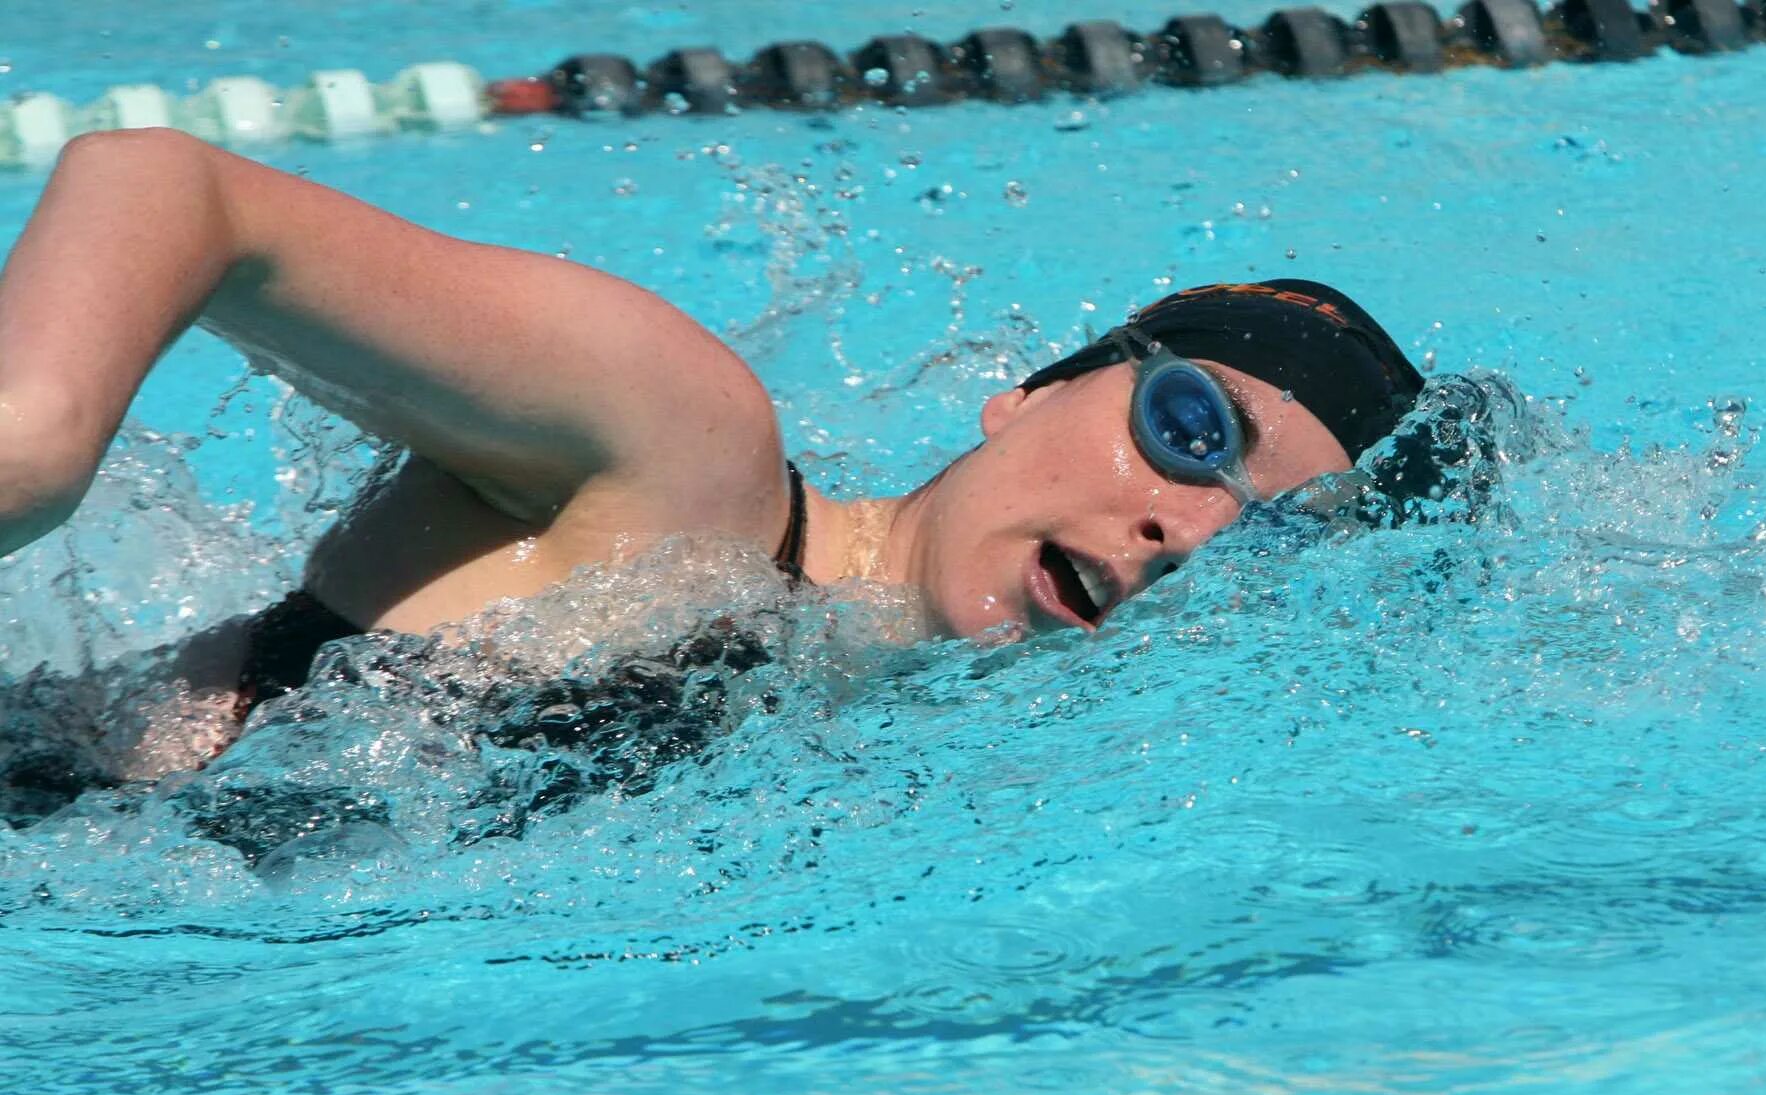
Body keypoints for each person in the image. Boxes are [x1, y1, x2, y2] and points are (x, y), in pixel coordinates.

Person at [0, 129, 1424, 732]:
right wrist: (37, 446)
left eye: (1270, 537)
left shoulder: (872, 737)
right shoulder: (687, 454)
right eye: (1189, 429)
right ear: (1036, 389)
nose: (1191, 530)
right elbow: (172, 187)